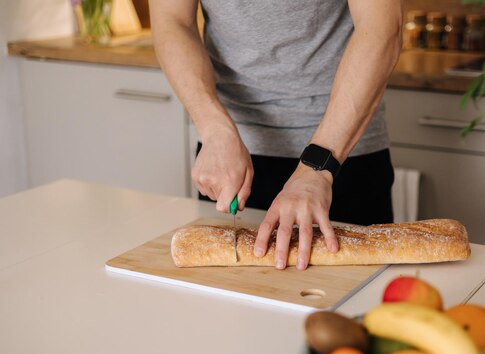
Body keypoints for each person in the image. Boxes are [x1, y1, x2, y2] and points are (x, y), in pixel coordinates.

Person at [150, 0, 402, 270]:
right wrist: (214, 128)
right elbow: (172, 22)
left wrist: (319, 164)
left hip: (342, 154)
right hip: (230, 161)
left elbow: (382, 30)